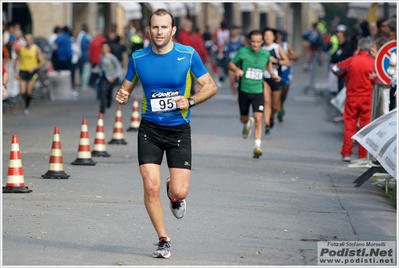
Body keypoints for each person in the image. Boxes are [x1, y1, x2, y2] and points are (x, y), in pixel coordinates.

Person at [115, 9, 217, 259]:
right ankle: (163, 239)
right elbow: (126, 87)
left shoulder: (188, 55)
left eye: (164, 28)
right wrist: (123, 95)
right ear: (148, 30)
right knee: (151, 186)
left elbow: (211, 87)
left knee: (180, 191)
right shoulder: (138, 58)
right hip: (149, 128)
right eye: (154, 27)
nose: (159, 32)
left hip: (179, 129)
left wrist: (190, 101)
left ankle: (175, 196)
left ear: (173, 30)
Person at [228, 29, 281, 158]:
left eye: (258, 42)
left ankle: (257, 146)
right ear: (249, 41)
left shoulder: (265, 54)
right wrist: (237, 70)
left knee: (258, 118)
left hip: (258, 91)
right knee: (243, 118)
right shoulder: (243, 52)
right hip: (244, 90)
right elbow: (230, 63)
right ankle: (247, 123)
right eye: (253, 42)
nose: (255, 44)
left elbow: (268, 63)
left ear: (262, 41)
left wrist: (272, 74)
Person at [331, 38, 376, 162]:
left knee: (349, 125)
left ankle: (346, 153)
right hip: (367, 97)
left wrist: (345, 73)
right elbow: (383, 75)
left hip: (352, 97)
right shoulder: (373, 63)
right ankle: (362, 155)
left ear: (358, 47)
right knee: (365, 126)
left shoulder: (352, 60)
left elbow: (335, 69)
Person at [262, 27, 290, 135]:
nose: (268, 37)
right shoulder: (260, 48)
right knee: (266, 100)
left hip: (276, 78)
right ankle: (267, 124)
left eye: (270, 35)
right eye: (266, 35)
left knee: (275, 106)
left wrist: (276, 61)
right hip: (264, 77)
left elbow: (287, 62)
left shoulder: (277, 48)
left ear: (274, 37)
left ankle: (272, 116)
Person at [13, 33, 45, 115]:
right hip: (23, 71)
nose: (28, 41)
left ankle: (27, 107)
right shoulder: (21, 49)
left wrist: (34, 68)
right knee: (22, 91)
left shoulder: (36, 49)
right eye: (26, 39)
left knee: (29, 91)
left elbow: (42, 62)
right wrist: (16, 72)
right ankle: (25, 102)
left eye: (29, 39)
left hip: (32, 72)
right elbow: (16, 62)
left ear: (32, 40)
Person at [275, 29, 298, 123]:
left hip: (285, 70)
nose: (277, 37)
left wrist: (284, 56)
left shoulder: (286, 45)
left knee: (284, 90)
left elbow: (295, 57)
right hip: (273, 70)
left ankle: (281, 104)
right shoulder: (269, 46)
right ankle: (276, 108)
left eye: (278, 35)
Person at [99, 41, 122, 114]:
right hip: (104, 77)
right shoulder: (100, 57)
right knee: (102, 90)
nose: (104, 49)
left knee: (109, 91)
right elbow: (99, 66)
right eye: (103, 48)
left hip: (112, 77)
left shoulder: (112, 57)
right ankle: (102, 107)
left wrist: (115, 76)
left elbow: (118, 67)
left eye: (106, 47)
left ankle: (109, 101)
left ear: (108, 48)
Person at [227, 24, 246, 102]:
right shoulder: (228, 39)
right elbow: (222, 47)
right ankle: (234, 95)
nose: (233, 32)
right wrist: (221, 53)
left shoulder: (242, 39)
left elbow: (247, 47)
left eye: (234, 30)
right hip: (231, 62)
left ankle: (240, 94)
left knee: (239, 79)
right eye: (232, 30)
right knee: (232, 81)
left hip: (240, 63)